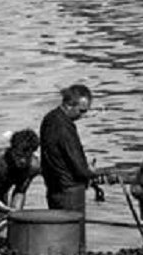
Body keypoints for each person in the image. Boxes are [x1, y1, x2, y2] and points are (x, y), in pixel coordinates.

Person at [40, 84, 100, 213]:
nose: (82, 116)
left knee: (59, 228)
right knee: (73, 230)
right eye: (81, 111)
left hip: (54, 187)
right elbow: (78, 166)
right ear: (68, 105)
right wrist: (90, 172)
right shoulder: (64, 128)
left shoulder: (49, 118)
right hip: (70, 191)